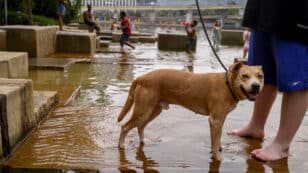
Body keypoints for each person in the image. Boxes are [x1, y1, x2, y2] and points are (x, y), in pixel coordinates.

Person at [227, 0, 308, 161]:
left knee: (295, 79)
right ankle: (256, 126)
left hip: (297, 13)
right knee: (263, 71)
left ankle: (282, 144)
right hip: (262, 10)